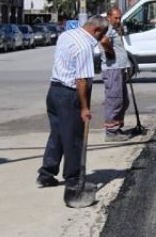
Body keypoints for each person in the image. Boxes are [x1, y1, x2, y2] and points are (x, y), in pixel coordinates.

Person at [37, 15, 108, 189]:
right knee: (73, 137)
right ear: (96, 30)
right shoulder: (84, 47)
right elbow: (81, 80)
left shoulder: (67, 35)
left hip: (54, 91)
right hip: (69, 95)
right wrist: (84, 107)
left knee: (58, 133)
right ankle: (73, 179)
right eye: (102, 34)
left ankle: (46, 173)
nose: (102, 38)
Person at [100, 7, 132, 142]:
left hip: (119, 69)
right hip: (112, 69)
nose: (118, 20)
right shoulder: (108, 27)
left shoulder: (115, 28)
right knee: (114, 100)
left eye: (119, 18)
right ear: (109, 17)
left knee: (123, 101)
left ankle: (117, 127)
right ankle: (111, 132)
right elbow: (104, 41)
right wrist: (112, 53)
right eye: (116, 18)